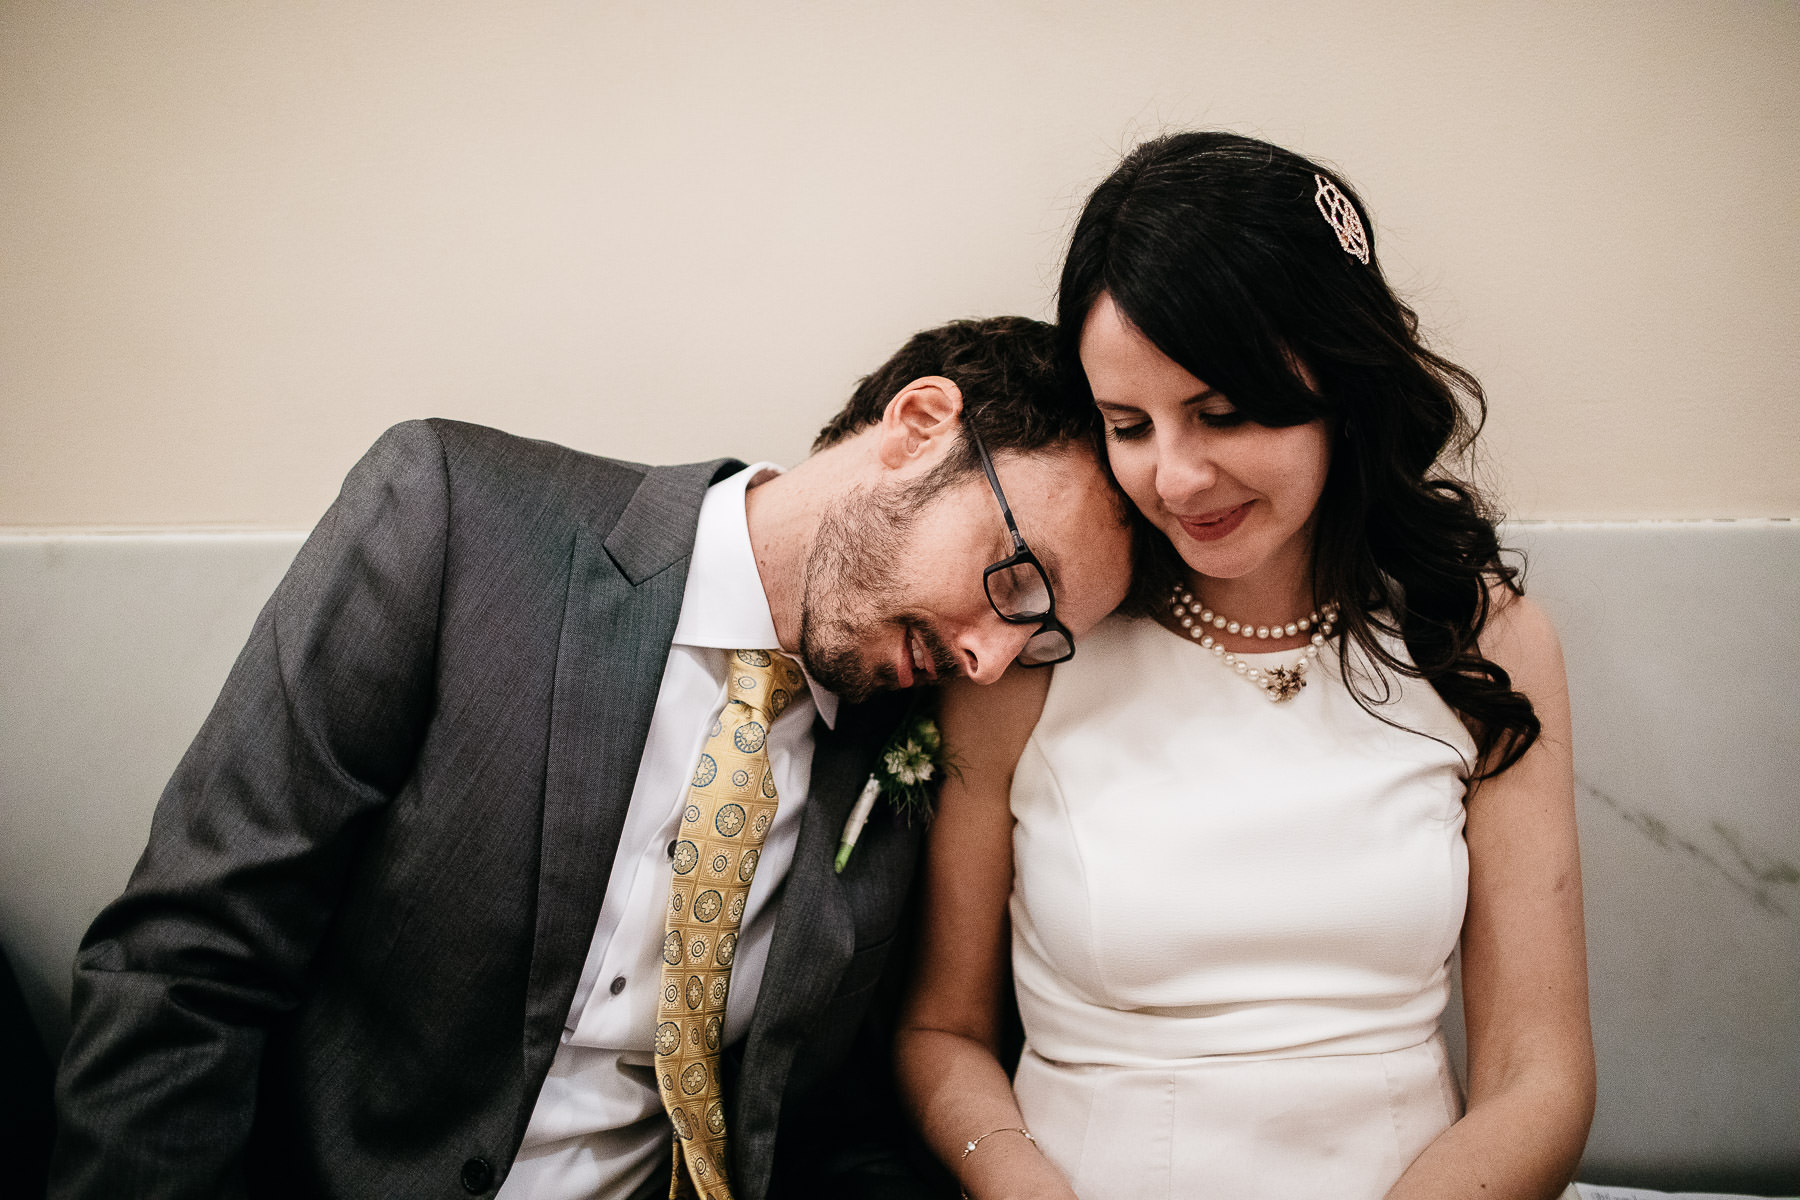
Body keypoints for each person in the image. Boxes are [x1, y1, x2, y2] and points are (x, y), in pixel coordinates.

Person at [50, 316, 1134, 1200]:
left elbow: (827, 1121)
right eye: (1016, 581)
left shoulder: (902, 735)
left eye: (1042, 641)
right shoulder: (455, 519)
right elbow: (187, 964)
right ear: (919, 425)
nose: (991, 661)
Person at [896, 134, 1596, 1199]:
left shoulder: (1480, 643)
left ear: (1340, 386)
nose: (1176, 478)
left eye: (1222, 414)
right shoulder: (1034, 650)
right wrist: (1019, 1182)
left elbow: (1538, 1075)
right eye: (1129, 425)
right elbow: (941, 1030)